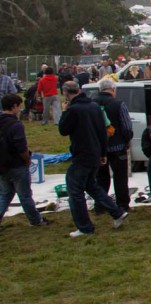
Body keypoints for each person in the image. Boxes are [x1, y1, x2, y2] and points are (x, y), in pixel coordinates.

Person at [58, 81, 128, 237]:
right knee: (91, 186)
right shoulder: (94, 107)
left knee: (74, 189)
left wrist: (64, 111)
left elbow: (63, 130)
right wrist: (103, 153)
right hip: (95, 152)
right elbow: (103, 132)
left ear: (66, 93)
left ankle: (84, 227)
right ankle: (117, 212)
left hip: (81, 154)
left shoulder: (73, 110)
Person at [0, 94, 50, 229]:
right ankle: (36, 220)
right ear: (14, 106)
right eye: (19, 106)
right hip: (16, 165)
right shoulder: (16, 125)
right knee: (25, 195)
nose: (20, 109)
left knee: (5, 194)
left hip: (2, 166)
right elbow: (21, 147)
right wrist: (27, 160)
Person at [94, 79, 134, 212]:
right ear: (113, 89)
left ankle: (100, 205)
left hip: (98, 148)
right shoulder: (118, 104)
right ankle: (122, 204)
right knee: (120, 177)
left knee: (101, 178)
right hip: (117, 146)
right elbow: (127, 126)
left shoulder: (92, 104)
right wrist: (127, 140)